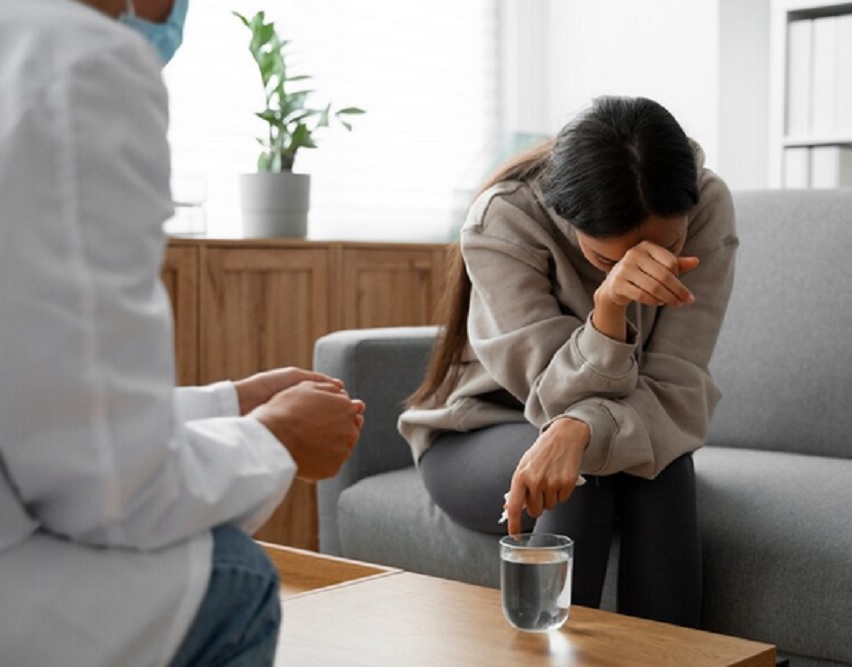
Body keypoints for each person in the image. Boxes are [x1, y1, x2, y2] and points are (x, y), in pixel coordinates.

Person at [0, 0, 365, 665]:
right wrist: (275, 438)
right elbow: (113, 495)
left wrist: (232, 401)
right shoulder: (83, 63)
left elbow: (32, 397)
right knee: (236, 576)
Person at [400, 95, 738, 626]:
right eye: (607, 260)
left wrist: (578, 429)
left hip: (594, 424)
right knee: (591, 471)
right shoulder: (503, 220)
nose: (641, 269)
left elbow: (677, 385)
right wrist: (608, 308)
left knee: (662, 464)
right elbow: (551, 396)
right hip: (479, 428)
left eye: (667, 249)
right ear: (566, 216)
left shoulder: (707, 203)